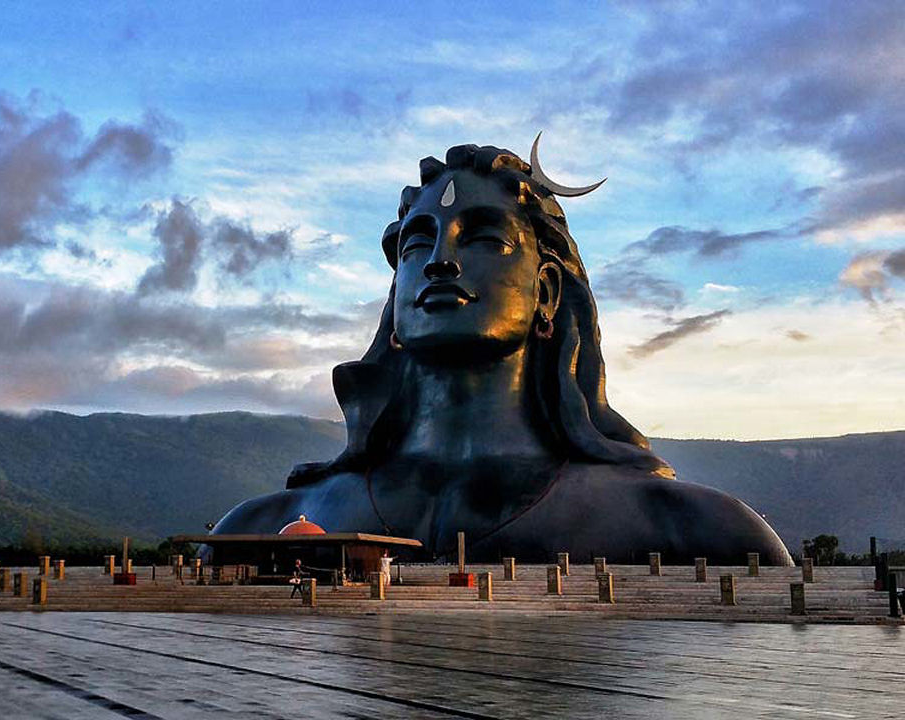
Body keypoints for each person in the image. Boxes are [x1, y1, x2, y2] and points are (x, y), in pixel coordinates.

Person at [212, 141, 792, 566]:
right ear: (396, 302)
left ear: (545, 292)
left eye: (485, 237)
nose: (440, 260)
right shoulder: (261, 529)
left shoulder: (696, 530)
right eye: (418, 243)